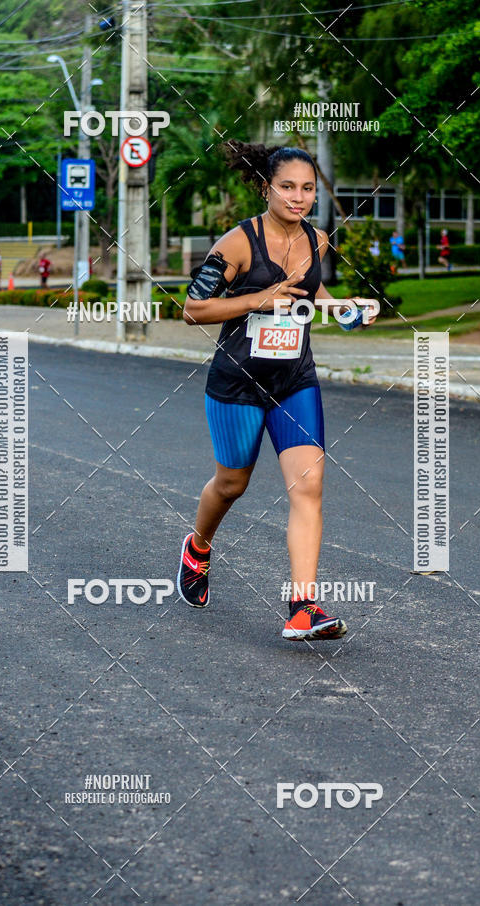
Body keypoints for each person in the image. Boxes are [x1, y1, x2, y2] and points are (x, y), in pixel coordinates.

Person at [177, 142, 378, 642]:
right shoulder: (238, 243)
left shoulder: (318, 240)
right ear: (266, 188)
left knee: (308, 487)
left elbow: (313, 294)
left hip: (294, 381)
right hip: (238, 382)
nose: (298, 197)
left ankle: (302, 607)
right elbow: (193, 309)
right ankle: (198, 548)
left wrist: (343, 309)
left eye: (307, 188)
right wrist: (258, 299)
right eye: (287, 187)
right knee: (231, 485)